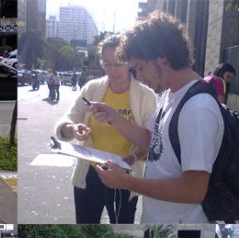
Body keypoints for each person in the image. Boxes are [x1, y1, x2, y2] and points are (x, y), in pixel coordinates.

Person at [96, 12, 224, 224]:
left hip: (181, 222)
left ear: (162, 57)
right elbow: (152, 140)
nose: (139, 77)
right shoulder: (171, 95)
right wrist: (113, 116)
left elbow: (194, 190)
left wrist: (128, 182)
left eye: (140, 67)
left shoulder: (197, 109)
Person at [54, 35, 157, 223]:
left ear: (129, 62)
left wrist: (132, 158)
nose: (113, 70)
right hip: (90, 171)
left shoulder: (145, 96)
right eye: (107, 63)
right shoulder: (92, 89)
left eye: (118, 63)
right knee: (85, 224)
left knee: (122, 223)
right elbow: (69, 118)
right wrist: (73, 128)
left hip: (124, 172)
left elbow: (152, 141)